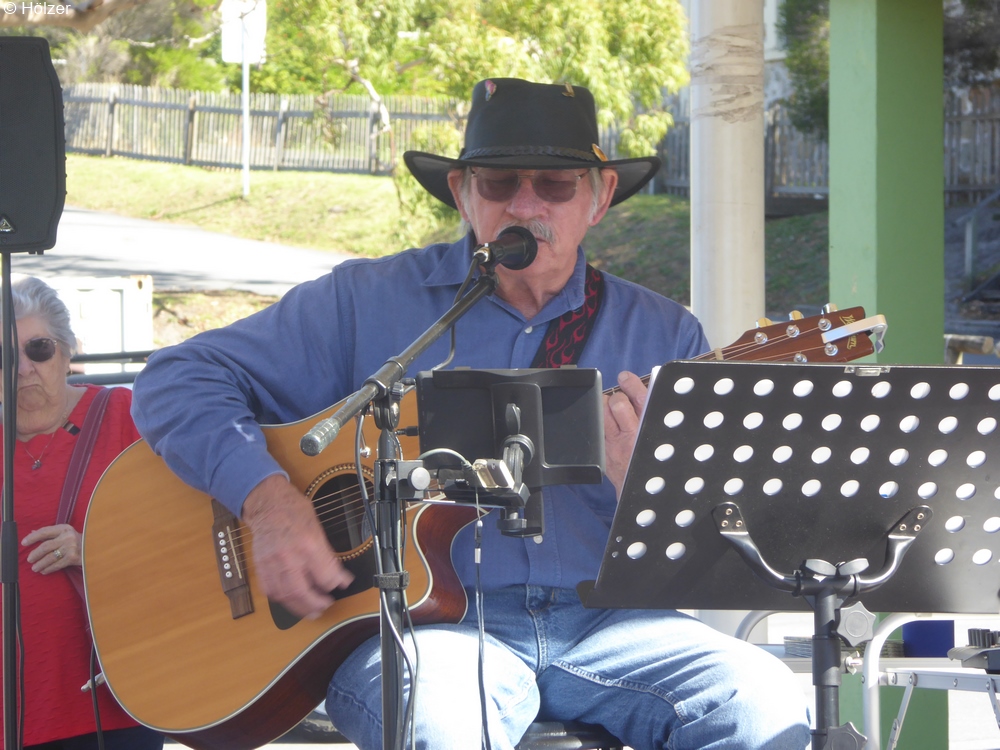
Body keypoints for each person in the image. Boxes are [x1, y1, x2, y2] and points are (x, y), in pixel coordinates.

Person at [131, 78, 810, 750]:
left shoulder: (666, 335)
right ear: (462, 193)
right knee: (444, 726)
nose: (524, 204)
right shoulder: (365, 301)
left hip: (612, 625)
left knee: (760, 704)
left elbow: (721, 540)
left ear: (600, 196)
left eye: (555, 185)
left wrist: (651, 485)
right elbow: (177, 378)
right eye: (499, 182)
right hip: (429, 632)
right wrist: (267, 502)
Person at [0, 276, 164, 750]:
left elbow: (192, 532)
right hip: (12, 717)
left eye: (39, 349)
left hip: (113, 704)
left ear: (67, 351)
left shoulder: (126, 416)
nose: (24, 369)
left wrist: (93, 548)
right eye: (6, 355)